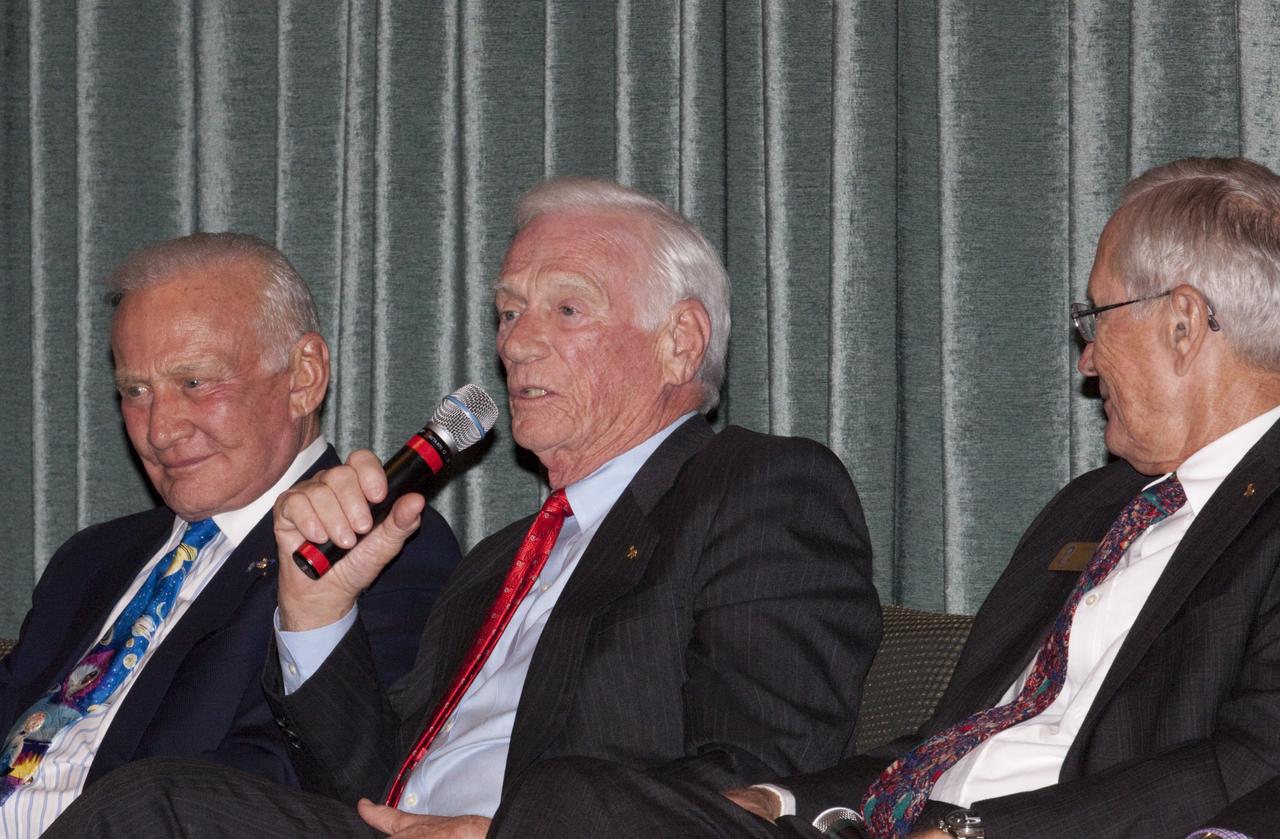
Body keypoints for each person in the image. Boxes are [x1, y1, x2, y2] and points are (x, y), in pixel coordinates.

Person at [44, 177, 881, 839]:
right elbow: (368, 782)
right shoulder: (502, 561)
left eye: (565, 307)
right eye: (509, 311)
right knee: (167, 804)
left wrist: (516, 830)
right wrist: (316, 616)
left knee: (148, 809)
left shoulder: (760, 490)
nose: (513, 342)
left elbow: (763, 779)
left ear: (682, 341)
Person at [479, 157, 1280, 839]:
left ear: (1182, 323)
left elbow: (1250, 763)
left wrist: (976, 834)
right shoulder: (1088, 511)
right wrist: (786, 797)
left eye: (1095, 318)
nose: (1088, 361)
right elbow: (949, 739)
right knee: (576, 798)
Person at [0, 233, 462, 836]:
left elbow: (301, 789)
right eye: (136, 392)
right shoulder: (91, 561)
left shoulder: (380, 547)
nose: (159, 430)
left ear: (303, 377)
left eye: (195, 383)